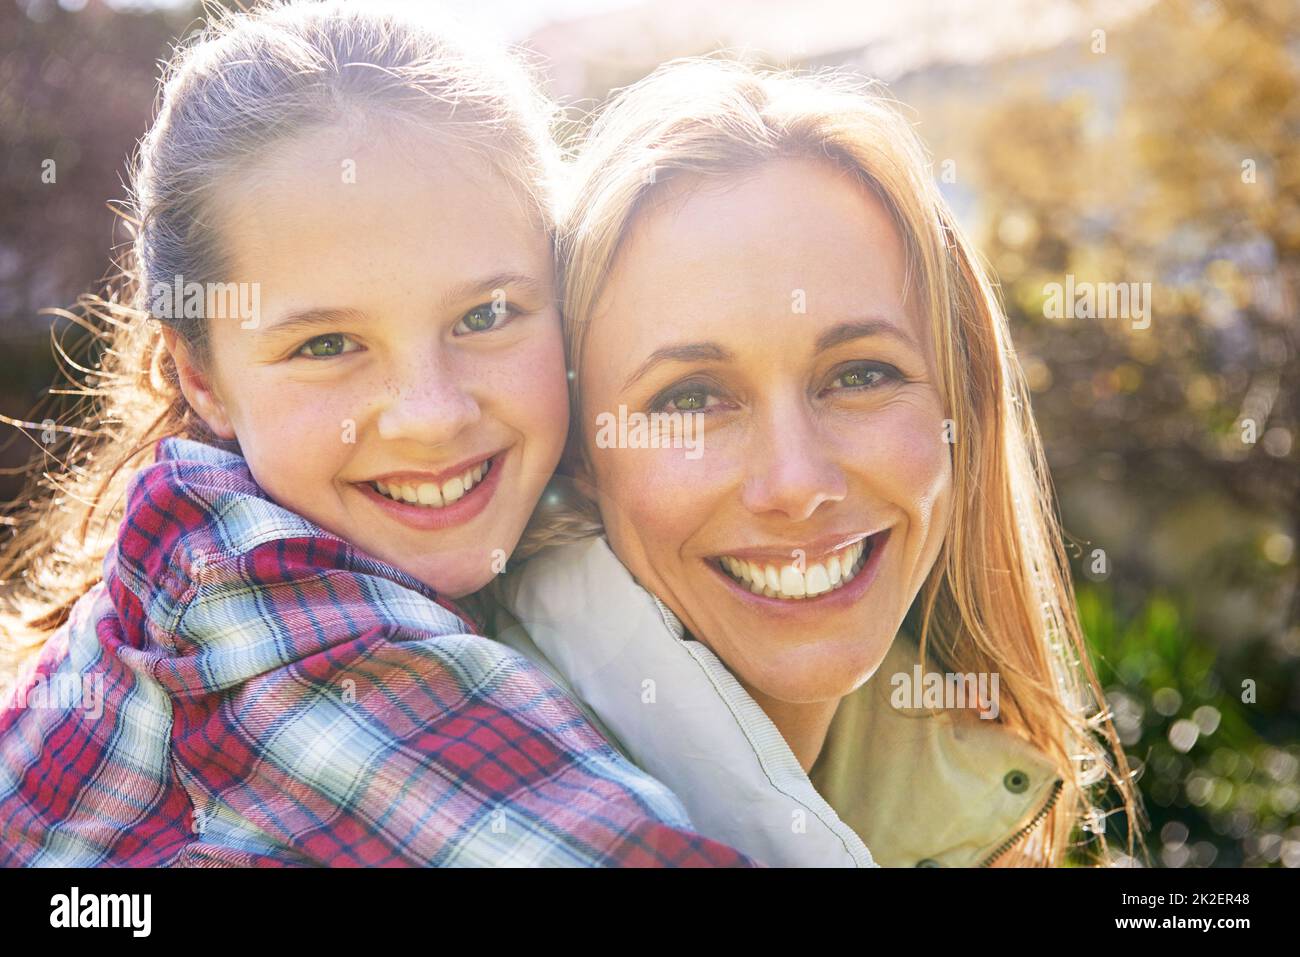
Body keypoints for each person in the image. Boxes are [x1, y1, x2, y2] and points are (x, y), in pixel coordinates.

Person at [0, 2, 751, 868]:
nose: (431, 411)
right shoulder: (266, 610)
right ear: (200, 375)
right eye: (327, 345)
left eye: (487, 314)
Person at [494, 58, 1147, 866]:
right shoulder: (490, 814)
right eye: (692, 397)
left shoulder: (950, 783)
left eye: (860, 375)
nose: (797, 482)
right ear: (582, 455)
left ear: (960, 408)